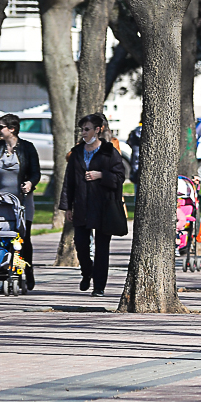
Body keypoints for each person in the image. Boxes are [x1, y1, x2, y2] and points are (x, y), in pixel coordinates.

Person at [58, 113, 128, 297]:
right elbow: (69, 181)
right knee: (80, 244)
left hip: (103, 206)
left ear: (98, 130)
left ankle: (99, 286)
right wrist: (68, 207)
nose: (83, 133)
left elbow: (120, 177)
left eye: (87, 129)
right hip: (81, 205)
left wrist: (101, 175)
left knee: (102, 248)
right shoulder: (77, 153)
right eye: (82, 129)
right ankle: (87, 271)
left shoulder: (109, 151)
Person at [0, 113, 42, 290]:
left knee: (22, 240)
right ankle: (3, 274)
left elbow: (36, 172)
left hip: (22, 201)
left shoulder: (27, 148)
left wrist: (30, 183)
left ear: (12, 129)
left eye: (1, 127)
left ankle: (25, 271)